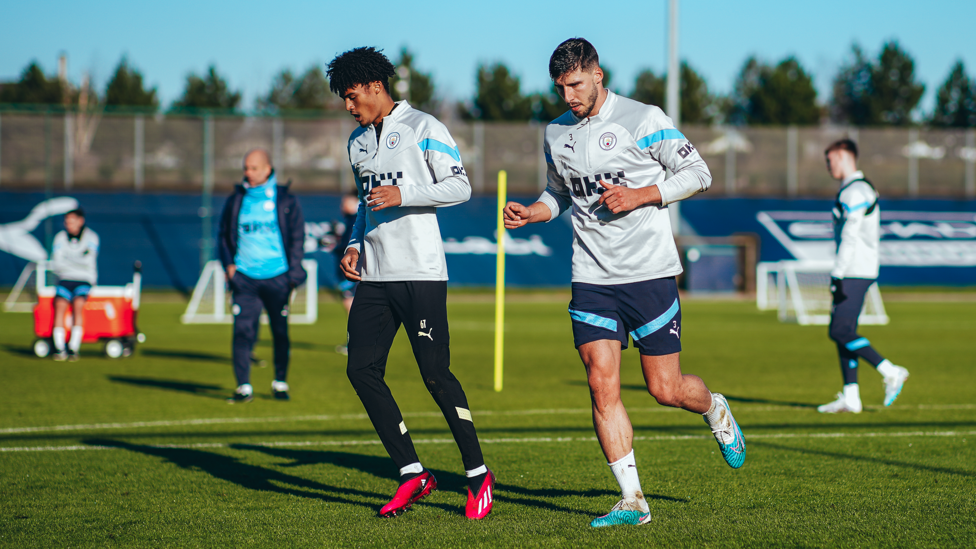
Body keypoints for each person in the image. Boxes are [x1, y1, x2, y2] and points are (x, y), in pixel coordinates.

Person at [503, 38, 745, 527]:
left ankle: (715, 408)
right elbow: (559, 192)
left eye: (575, 84)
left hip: (649, 274)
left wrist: (642, 195)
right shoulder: (555, 133)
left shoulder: (644, 118)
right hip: (591, 277)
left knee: (666, 388)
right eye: (559, 87)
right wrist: (535, 212)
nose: (568, 96)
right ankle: (632, 500)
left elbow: (699, 173)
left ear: (598, 75)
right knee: (600, 383)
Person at [327, 46, 494, 520]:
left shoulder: (425, 128)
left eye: (352, 95)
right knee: (361, 370)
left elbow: (460, 186)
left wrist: (406, 193)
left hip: (420, 273)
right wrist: (354, 244)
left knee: (435, 375)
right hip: (375, 277)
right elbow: (364, 204)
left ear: (376, 87)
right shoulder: (357, 143)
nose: (349, 106)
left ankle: (478, 474)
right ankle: (412, 473)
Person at [818, 139, 909, 414]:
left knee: (840, 331)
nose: (828, 165)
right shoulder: (854, 189)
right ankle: (851, 396)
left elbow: (850, 234)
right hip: (857, 269)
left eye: (830, 159)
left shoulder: (855, 191)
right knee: (844, 331)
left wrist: (838, 271)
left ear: (844, 157)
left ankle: (891, 371)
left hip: (855, 270)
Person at [218, 149, 307, 403]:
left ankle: (280, 382)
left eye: (254, 168)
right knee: (243, 331)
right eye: (246, 167)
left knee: (280, 332)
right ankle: (243, 387)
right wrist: (229, 266)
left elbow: (298, 237)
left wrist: (293, 274)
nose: (248, 172)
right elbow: (223, 234)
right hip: (245, 278)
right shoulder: (236, 198)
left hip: (278, 276)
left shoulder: (285, 199)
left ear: (268, 169)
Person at [49, 208, 98, 361]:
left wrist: (70, 262)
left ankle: (73, 348)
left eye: (72, 221)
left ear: (80, 221)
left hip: (84, 280)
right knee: (59, 305)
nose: (68, 224)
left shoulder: (92, 237)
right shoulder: (60, 238)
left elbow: (88, 260)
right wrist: (75, 262)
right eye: (66, 221)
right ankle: (59, 348)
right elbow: (57, 263)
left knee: (78, 304)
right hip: (64, 279)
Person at [333, 190, 360, 356]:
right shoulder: (349, 220)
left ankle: (356, 343)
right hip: (348, 270)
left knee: (352, 306)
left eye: (346, 202)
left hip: (353, 270)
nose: (343, 206)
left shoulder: (358, 220)